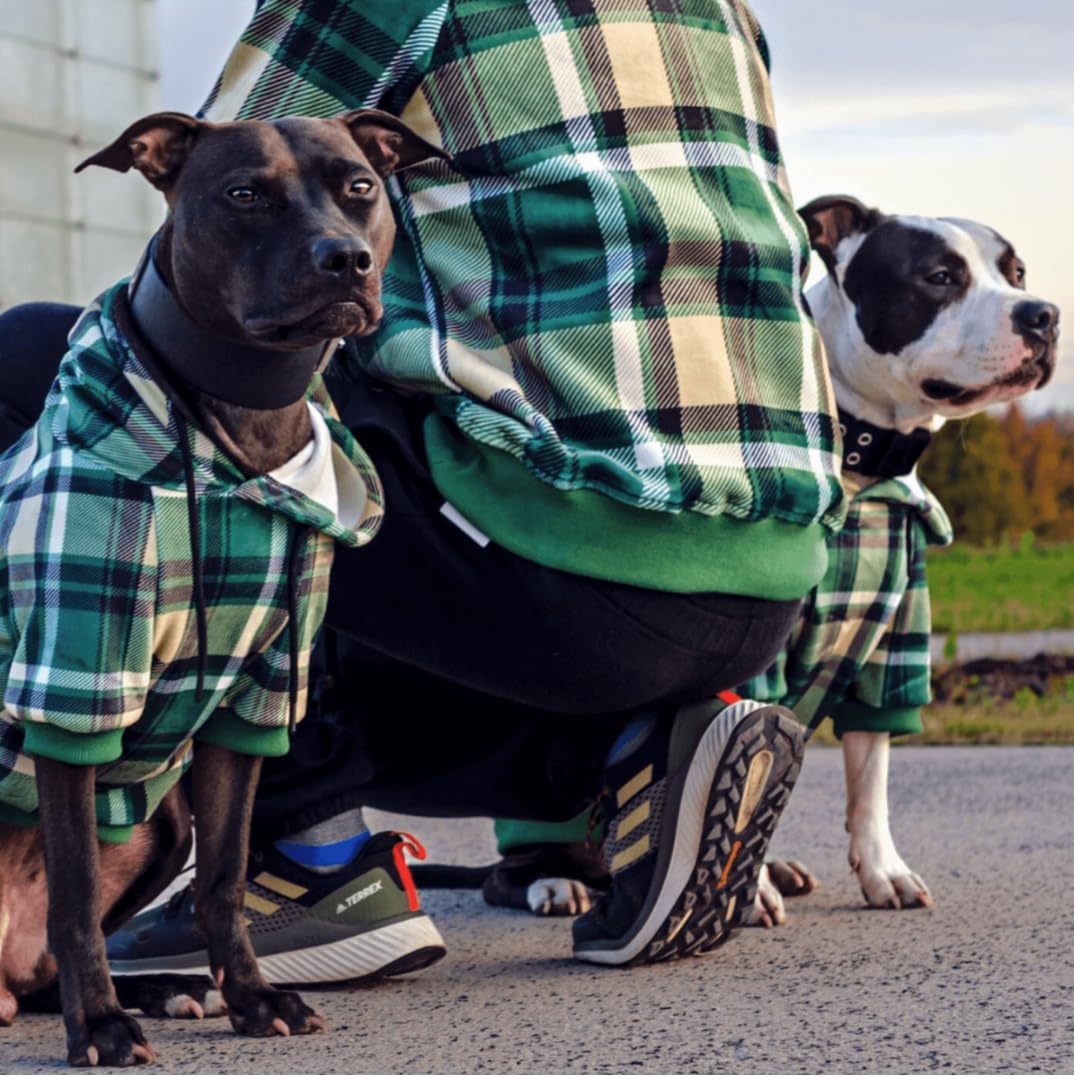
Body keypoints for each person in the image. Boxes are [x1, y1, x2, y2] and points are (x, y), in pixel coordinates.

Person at [0, 0, 844, 978]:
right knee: (349, 445)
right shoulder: (723, 9)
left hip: (573, 549)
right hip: (767, 578)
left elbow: (236, 174)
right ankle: (631, 758)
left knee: (50, 366)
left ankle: (304, 858)